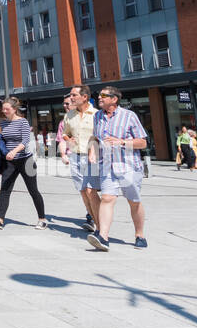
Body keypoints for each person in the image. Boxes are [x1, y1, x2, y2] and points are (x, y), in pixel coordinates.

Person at [87, 86, 148, 251]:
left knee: (133, 202)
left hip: (128, 166)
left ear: (114, 99)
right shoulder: (98, 116)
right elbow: (96, 138)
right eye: (99, 95)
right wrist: (93, 151)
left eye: (103, 96)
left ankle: (140, 235)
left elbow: (142, 142)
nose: (99, 98)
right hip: (107, 166)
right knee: (107, 198)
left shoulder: (129, 116)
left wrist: (121, 142)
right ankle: (103, 237)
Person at [0, 97, 47, 230]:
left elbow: (26, 140)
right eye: (3, 109)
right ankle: (0, 219)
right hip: (11, 161)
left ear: (14, 109)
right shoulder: (3, 124)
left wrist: (14, 151)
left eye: (7, 109)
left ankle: (42, 219)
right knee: (5, 190)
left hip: (26, 160)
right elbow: (5, 139)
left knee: (33, 191)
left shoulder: (23, 122)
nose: (4, 111)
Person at [59, 84, 99, 232]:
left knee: (91, 191)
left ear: (84, 97)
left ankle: (101, 225)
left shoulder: (96, 114)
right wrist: (68, 138)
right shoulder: (69, 115)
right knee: (83, 191)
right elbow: (65, 133)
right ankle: (95, 222)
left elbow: (100, 136)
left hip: (91, 158)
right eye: (71, 95)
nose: (71, 98)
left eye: (74, 95)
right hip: (75, 156)